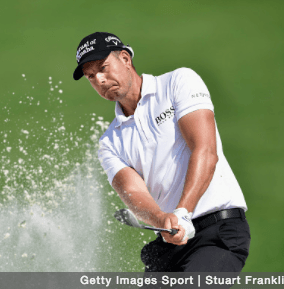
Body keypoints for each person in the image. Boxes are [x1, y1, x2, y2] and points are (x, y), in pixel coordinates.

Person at [73, 32, 251, 272]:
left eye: (103, 68)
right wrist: (161, 219)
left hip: (216, 234)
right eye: (91, 76)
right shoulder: (109, 142)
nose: (100, 80)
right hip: (170, 243)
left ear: (125, 59)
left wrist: (183, 212)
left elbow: (205, 150)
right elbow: (134, 193)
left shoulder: (179, 82)